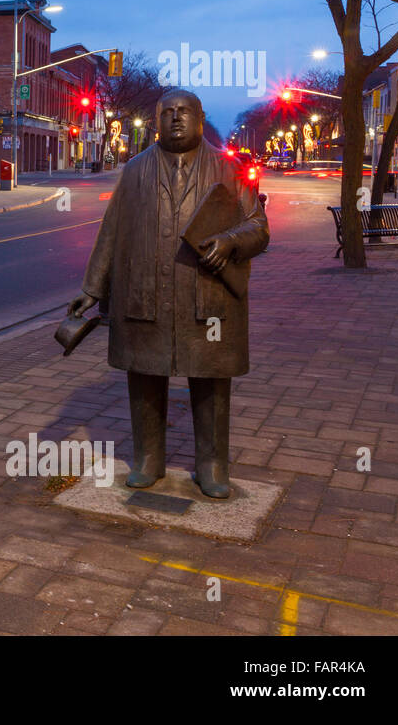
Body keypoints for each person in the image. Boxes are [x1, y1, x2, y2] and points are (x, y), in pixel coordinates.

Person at [67, 89, 269, 499]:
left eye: (185, 112)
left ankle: (211, 465)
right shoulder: (136, 169)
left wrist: (230, 241)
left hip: (207, 295)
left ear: (200, 117)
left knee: (210, 380)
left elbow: (259, 226)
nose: (176, 119)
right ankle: (148, 459)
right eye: (168, 113)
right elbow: (112, 231)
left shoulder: (227, 168)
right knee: (144, 374)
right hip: (146, 289)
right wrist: (91, 289)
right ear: (157, 120)